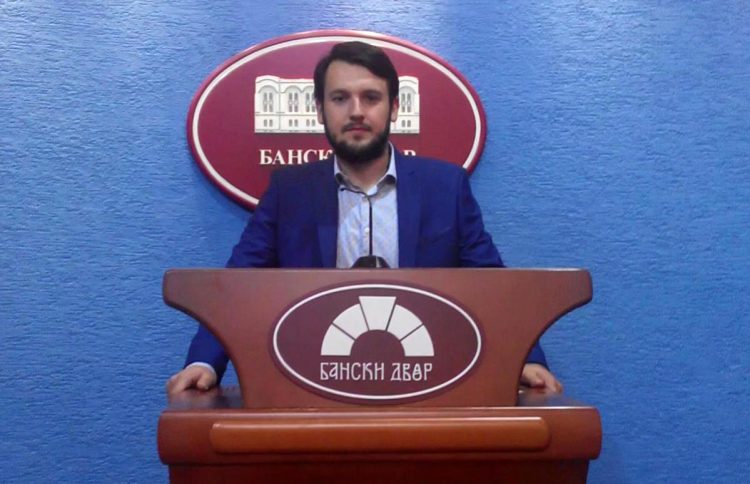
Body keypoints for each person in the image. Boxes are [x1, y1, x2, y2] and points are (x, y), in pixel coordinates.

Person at [167, 41, 563, 396]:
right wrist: (204, 363)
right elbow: (238, 283)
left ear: (394, 107)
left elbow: (492, 284)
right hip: (316, 385)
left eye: (370, 97)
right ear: (319, 109)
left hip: (425, 383)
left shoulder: (446, 188)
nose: (356, 111)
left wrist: (526, 359)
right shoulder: (289, 192)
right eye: (340, 98)